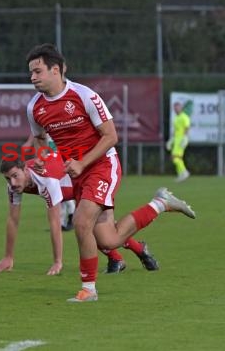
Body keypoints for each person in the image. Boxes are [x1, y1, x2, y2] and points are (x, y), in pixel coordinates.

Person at [25, 43, 196, 302]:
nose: (33, 77)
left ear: (56, 70)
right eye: (31, 73)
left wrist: (82, 163)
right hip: (79, 173)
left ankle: (88, 289)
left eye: (38, 71)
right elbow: (39, 139)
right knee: (108, 240)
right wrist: (42, 159)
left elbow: (110, 136)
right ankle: (160, 204)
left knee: (82, 222)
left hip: (103, 165)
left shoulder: (84, 96)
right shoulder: (34, 108)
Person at [0, 156, 160, 275]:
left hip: (88, 183)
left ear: (25, 169)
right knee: (97, 232)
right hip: (76, 190)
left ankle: (133, 249)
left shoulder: (47, 180)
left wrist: (57, 262)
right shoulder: (14, 185)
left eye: (15, 176)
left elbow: (55, 223)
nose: (13, 183)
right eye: (8, 179)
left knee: (94, 230)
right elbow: (13, 220)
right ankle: (126, 255)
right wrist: (8, 257)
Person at [22, 133, 75, 231]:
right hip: (53, 160)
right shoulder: (46, 126)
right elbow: (35, 133)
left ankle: (71, 216)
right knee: (59, 193)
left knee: (65, 191)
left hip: (62, 160)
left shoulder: (59, 127)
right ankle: (62, 223)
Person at [166, 101, 191, 182]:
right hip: (176, 140)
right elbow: (175, 130)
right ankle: (181, 173)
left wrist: (185, 138)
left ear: (181, 108)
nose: (176, 109)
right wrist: (171, 140)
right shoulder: (176, 118)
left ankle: (184, 172)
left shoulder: (184, 117)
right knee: (175, 158)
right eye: (175, 108)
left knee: (176, 157)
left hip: (181, 140)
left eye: (177, 107)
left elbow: (186, 128)